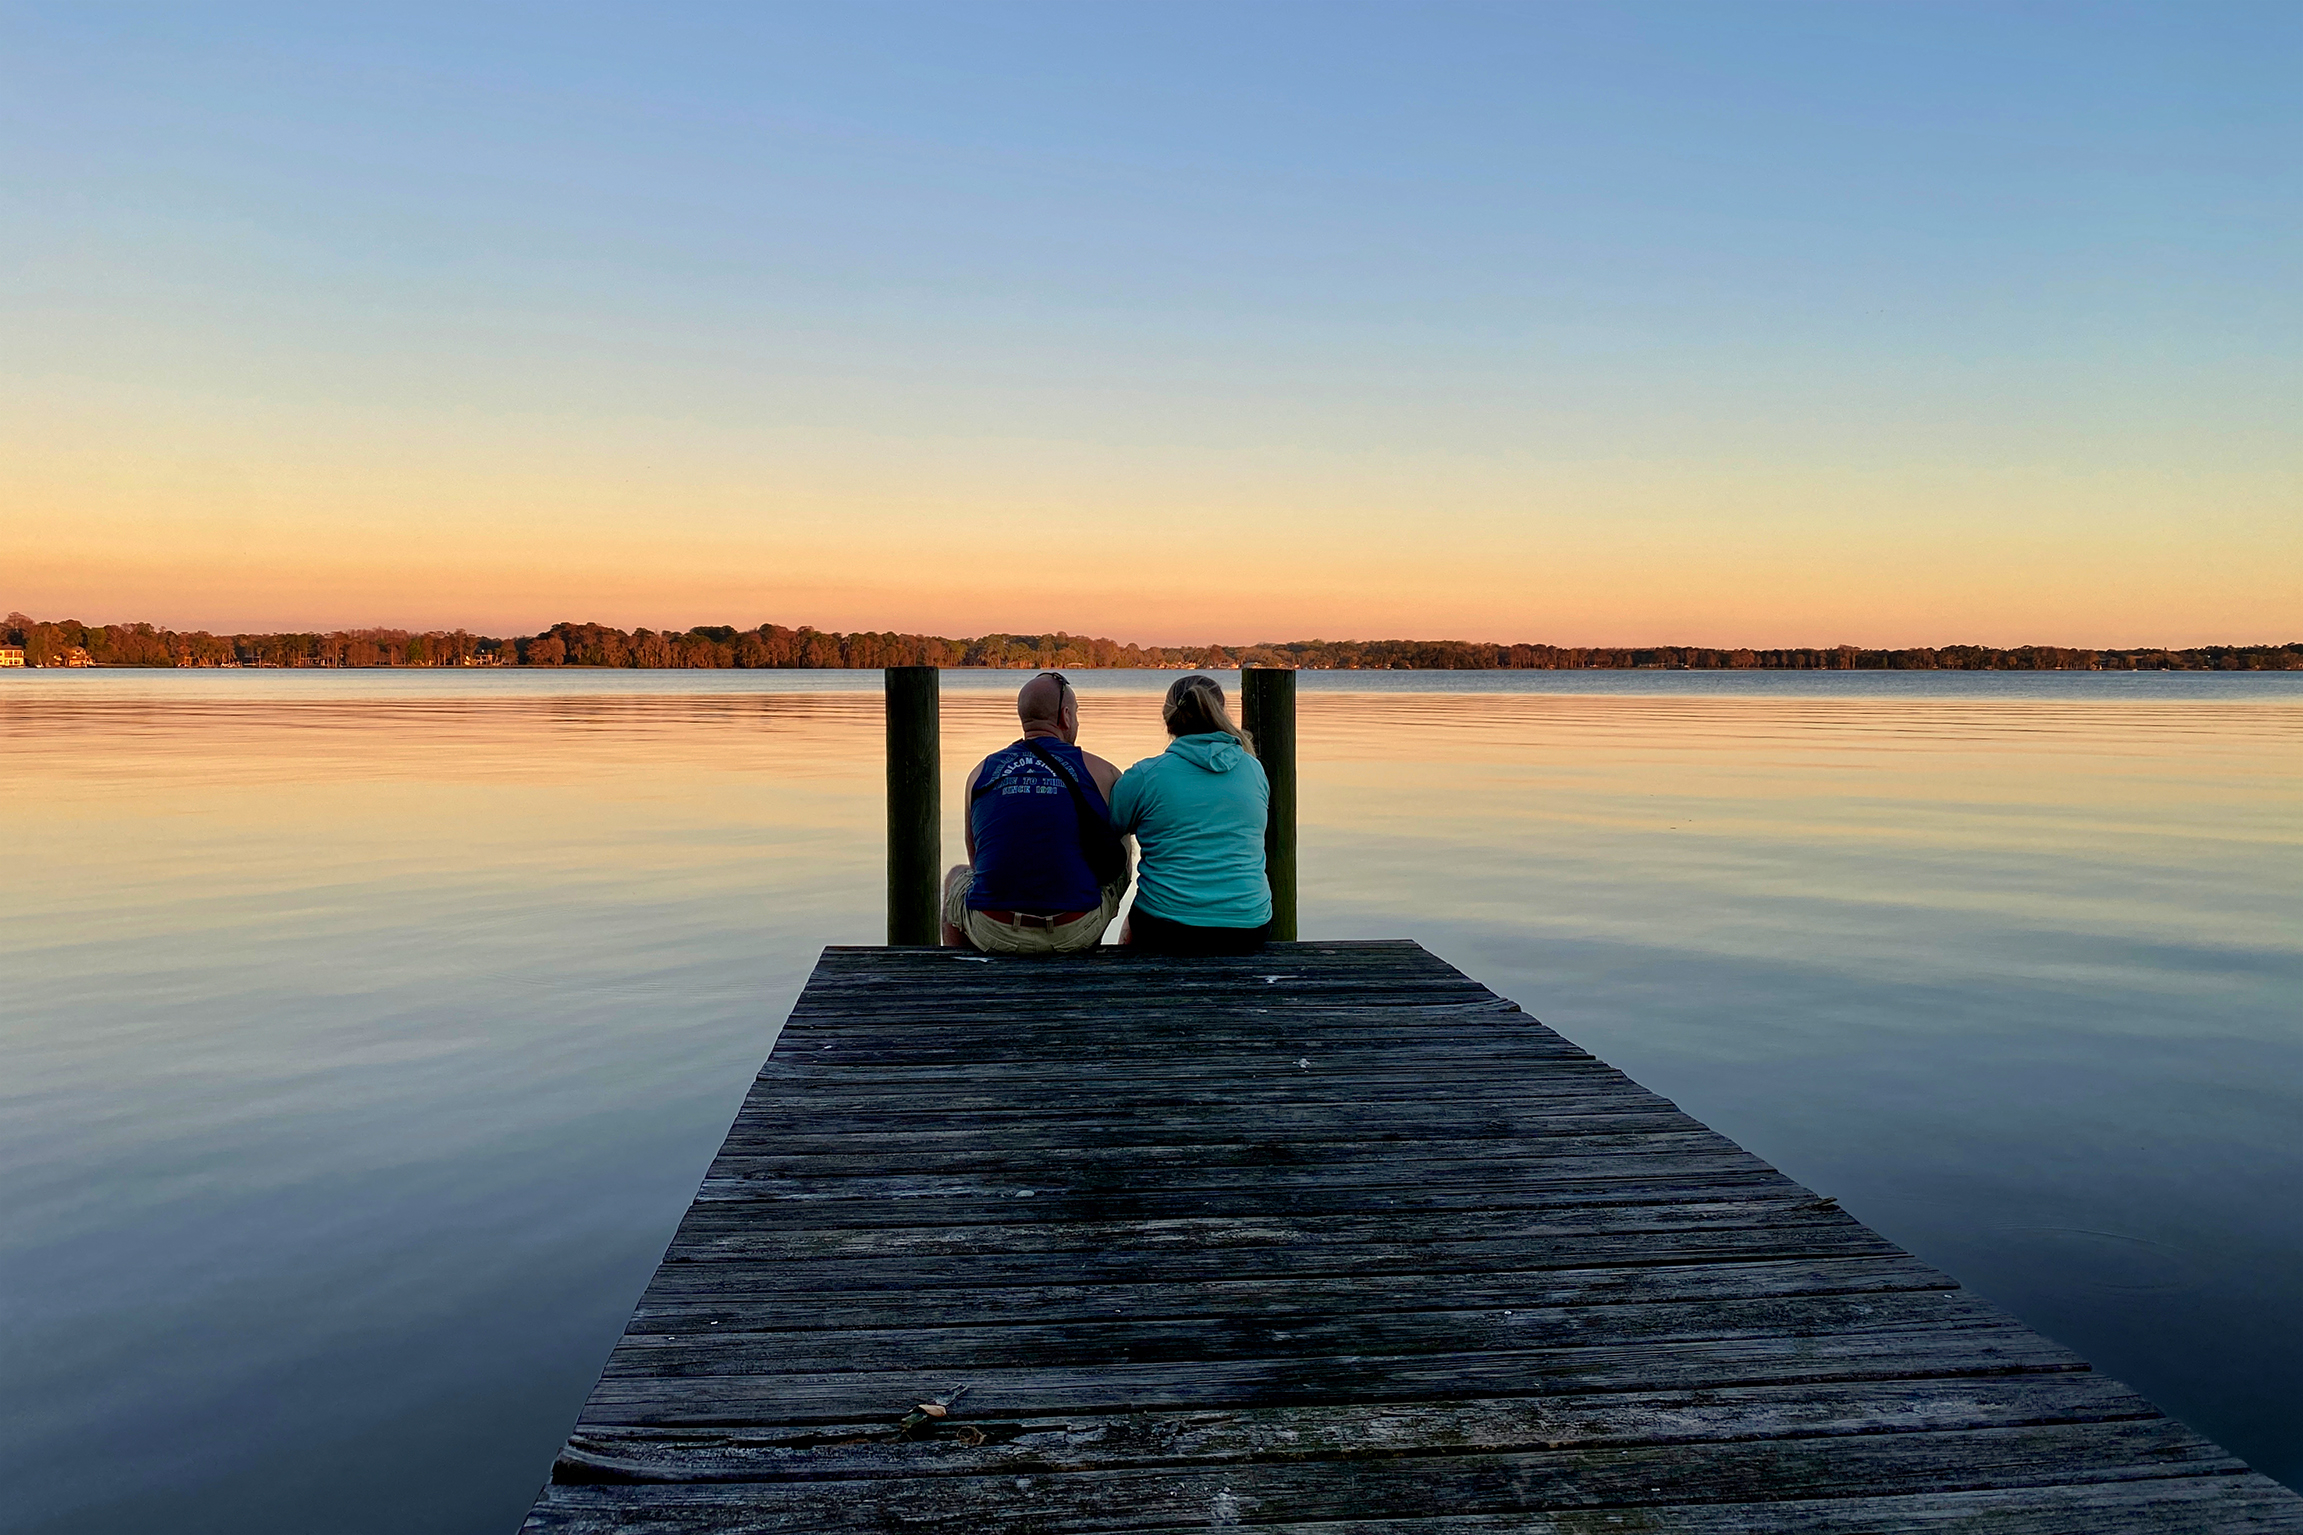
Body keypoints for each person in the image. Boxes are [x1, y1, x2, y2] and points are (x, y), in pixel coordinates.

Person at [942, 672, 1130, 955]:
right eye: (1076, 714)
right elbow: (1115, 863)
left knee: (957, 875)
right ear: (1065, 717)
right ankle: (1089, 950)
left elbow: (977, 862)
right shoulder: (1102, 772)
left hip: (994, 929)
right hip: (1074, 930)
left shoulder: (980, 772)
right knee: (1122, 843)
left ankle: (966, 970)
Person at [1109, 674, 1271, 955]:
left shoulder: (1147, 775)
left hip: (1167, 927)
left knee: (1120, 840)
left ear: (1167, 716)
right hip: (1249, 927)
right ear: (1220, 712)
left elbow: (1110, 829)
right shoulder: (1253, 769)